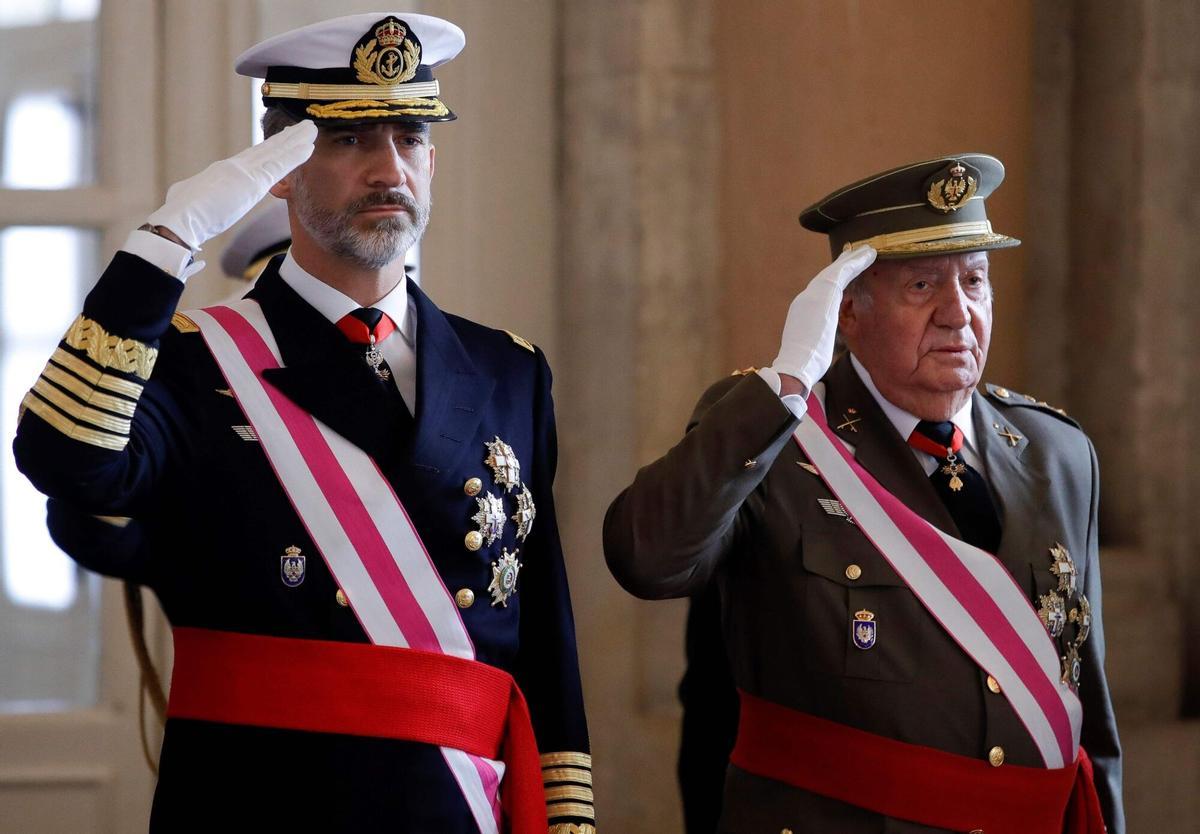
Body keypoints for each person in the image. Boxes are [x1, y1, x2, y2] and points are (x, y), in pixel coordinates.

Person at [14, 12, 592, 834]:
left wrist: (565, 815)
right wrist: (166, 242)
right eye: (351, 140)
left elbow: (543, 635)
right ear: (278, 171)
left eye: (412, 135)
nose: (390, 168)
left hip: (458, 809)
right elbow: (63, 457)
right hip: (263, 799)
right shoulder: (190, 362)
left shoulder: (508, 368)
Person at [605, 154, 1122, 833]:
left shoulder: (1058, 453)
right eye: (920, 285)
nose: (958, 314)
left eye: (974, 281)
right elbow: (646, 556)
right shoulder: (773, 436)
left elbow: (1090, 721)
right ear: (847, 311)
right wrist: (786, 384)